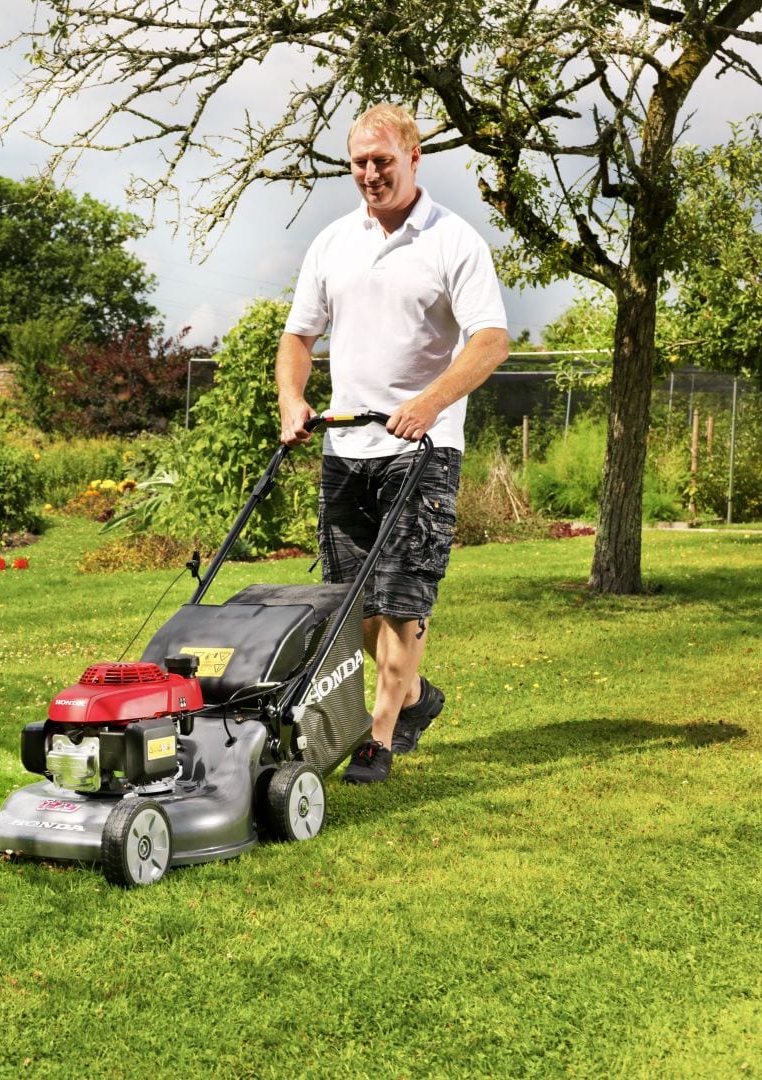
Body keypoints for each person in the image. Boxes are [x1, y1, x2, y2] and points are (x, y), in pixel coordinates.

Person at [276, 103, 509, 784]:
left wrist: (431, 402)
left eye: (383, 160)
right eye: (359, 162)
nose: (371, 174)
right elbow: (298, 337)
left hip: (424, 448)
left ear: (414, 158)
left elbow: (491, 339)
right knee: (357, 605)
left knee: (402, 598)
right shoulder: (332, 243)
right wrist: (293, 399)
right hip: (346, 450)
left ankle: (378, 737)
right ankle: (413, 695)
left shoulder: (453, 240)